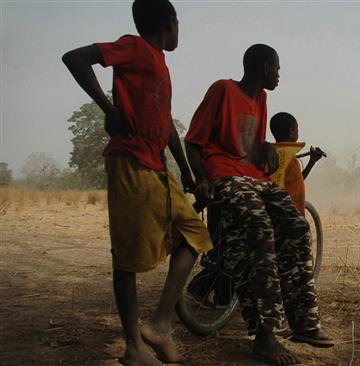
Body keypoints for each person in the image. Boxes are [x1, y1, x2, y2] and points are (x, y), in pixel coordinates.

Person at [62, 1, 211, 365]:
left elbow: (168, 126)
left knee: (195, 235)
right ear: (169, 22)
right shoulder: (134, 46)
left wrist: (188, 175)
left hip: (156, 167)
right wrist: (108, 109)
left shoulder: (160, 62)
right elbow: (74, 58)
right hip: (129, 162)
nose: (180, 32)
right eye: (179, 24)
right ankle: (133, 345)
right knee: (127, 258)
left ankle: (160, 323)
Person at [185, 44, 334, 366]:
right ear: (265, 67)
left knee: (296, 225)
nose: (279, 75)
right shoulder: (222, 90)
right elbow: (192, 141)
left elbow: (250, 146)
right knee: (259, 229)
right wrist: (201, 180)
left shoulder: (262, 99)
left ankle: (304, 324)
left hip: (253, 176)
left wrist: (265, 145)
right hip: (224, 174)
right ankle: (264, 335)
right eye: (277, 68)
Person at [269, 111, 326, 215]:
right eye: (297, 130)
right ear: (292, 132)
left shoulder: (272, 155)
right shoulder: (291, 160)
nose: (298, 133)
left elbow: (296, 182)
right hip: (292, 217)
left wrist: (311, 162)